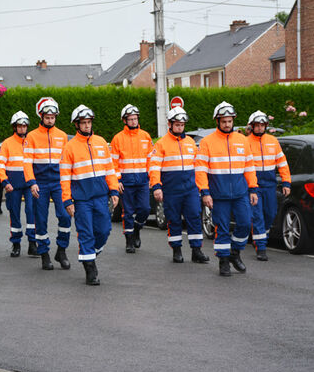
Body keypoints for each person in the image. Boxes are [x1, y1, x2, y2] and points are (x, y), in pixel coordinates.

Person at [195, 101, 258, 277]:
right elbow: (200, 170)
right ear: (217, 121)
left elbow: (249, 167)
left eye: (229, 121)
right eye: (223, 121)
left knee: (245, 223)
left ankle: (235, 253)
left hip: (240, 194)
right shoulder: (207, 142)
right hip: (218, 195)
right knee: (221, 228)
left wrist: (253, 188)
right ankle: (223, 261)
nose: (227, 124)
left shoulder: (243, 140)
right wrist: (205, 192)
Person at [60, 105, 119, 285]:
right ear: (76, 125)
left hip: (101, 197)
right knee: (85, 233)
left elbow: (109, 169)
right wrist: (67, 200)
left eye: (89, 122)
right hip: (81, 200)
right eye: (83, 123)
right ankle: (90, 269)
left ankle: (90, 253)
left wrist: (114, 189)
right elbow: (64, 176)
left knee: (104, 230)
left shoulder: (101, 142)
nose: (87, 126)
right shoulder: (69, 147)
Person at [149, 107, 210, 264]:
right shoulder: (161, 144)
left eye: (182, 125)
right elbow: (154, 167)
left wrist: (203, 188)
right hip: (171, 190)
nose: (180, 127)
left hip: (190, 189)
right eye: (177, 125)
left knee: (195, 218)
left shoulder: (190, 143)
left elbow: (199, 167)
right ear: (170, 124)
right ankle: (176, 250)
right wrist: (156, 186)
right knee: (173, 220)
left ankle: (196, 250)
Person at [23, 97, 71, 271]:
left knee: (65, 216)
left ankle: (62, 250)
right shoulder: (32, 136)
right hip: (40, 183)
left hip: (59, 182)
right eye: (47, 117)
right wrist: (32, 182)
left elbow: (67, 161)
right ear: (41, 117)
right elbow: (27, 162)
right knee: (41, 220)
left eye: (53, 117)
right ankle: (44, 254)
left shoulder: (63, 136)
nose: (50, 120)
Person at [247, 110, 291, 261]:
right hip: (254, 185)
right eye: (257, 125)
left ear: (265, 125)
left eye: (262, 125)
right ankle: (261, 247)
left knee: (270, 213)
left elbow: (282, 163)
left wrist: (286, 182)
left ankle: (260, 236)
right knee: (257, 215)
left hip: (270, 185)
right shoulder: (246, 142)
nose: (259, 128)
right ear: (251, 126)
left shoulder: (273, 141)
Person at [110, 104, 153, 253]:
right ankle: (129, 240)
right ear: (125, 121)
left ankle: (137, 228)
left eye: (135, 119)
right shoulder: (118, 139)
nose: (134, 121)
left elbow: (150, 160)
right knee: (127, 212)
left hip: (142, 180)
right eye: (131, 119)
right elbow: (113, 162)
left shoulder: (145, 136)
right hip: (126, 181)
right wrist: (117, 180)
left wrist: (151, 178)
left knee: (145, 209)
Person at [0, 111, 38, 257]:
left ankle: (33, 244)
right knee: (14, 214)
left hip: (29, 184)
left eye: (24, 126)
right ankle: (16, 244)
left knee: (32, 212)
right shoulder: (7, 143)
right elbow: (0, 165)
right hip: (12, 185)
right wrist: (4, 181)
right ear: (14, 127)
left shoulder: (31, 141)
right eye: (19, 126)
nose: (22, 129)